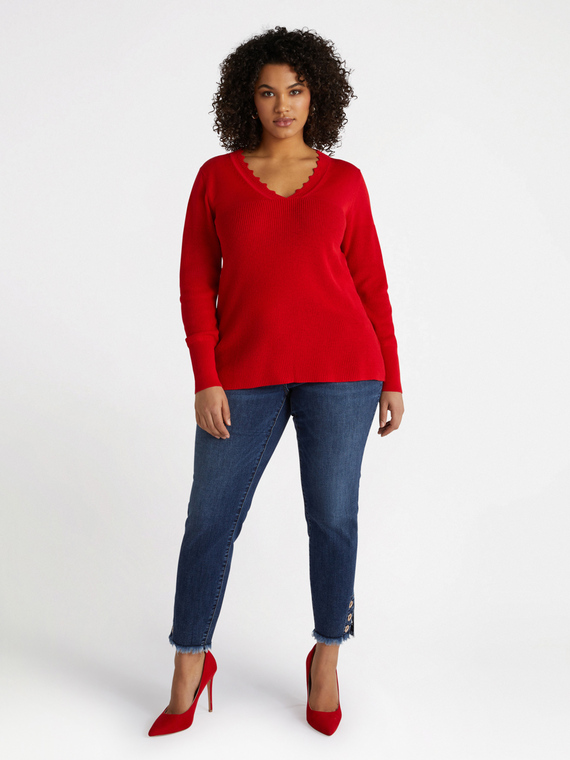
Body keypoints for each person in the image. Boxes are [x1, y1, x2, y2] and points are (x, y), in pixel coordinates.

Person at [148, 25, 404, 738]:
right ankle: (190, 662)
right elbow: (195, 284)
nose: (282, 105)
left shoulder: (346, 182)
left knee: (333, 518)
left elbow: (371, 284)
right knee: (209, 521)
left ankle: (327, 658)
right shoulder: (216, 178)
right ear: (247, 100)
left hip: (346, 373)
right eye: (267, 92)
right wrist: (206, 377)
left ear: (317, 96)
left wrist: (392, 375)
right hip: (243, 375)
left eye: (295, 90)